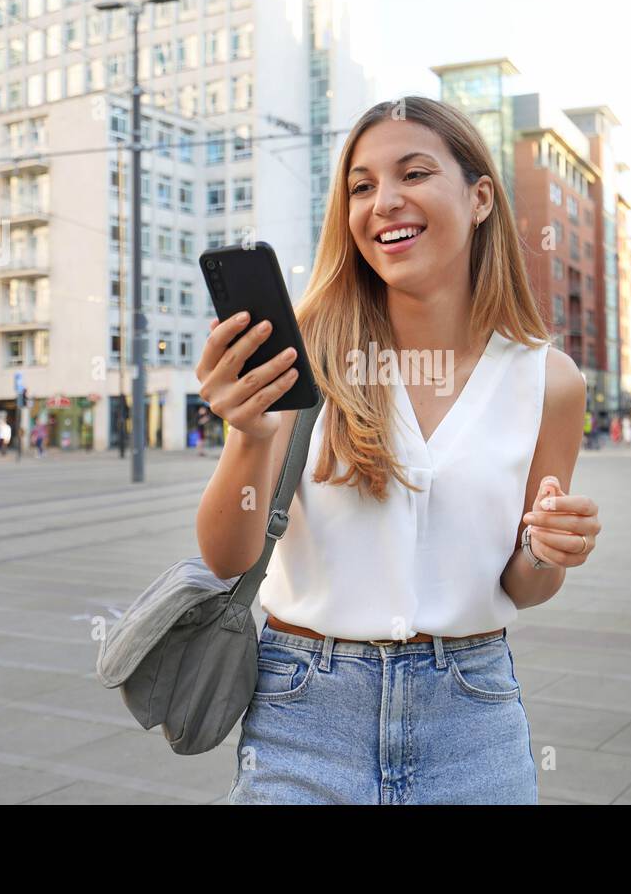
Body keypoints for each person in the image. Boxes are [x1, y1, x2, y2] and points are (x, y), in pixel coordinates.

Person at [197, 96, 601, 805]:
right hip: (305, 715)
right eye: (362, 185)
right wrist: (249, 436)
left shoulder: (550, 381)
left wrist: (546, 549)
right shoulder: (305, 355)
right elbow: (227, 557)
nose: (385, 202)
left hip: (472, 720)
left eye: (413, 175)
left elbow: (523, 587)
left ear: (480, 199)